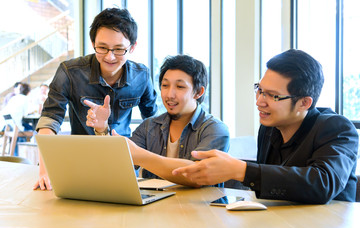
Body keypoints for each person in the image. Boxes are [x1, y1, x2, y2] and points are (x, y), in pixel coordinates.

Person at [171, 49, 358, 204]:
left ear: (304, 103)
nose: (260, 101)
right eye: (259, 90)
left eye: (273, 96)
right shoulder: (269, 128)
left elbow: (322, 184)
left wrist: (241, 170)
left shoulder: (337, 128)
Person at [34, 8, 158, 190]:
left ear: (132, 47)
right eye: (102, 48)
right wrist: (45, 171)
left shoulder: (141, 76)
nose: (110, 56)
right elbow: (50, 120)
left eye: (119, 49)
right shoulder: (70, 72)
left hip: (124, 162)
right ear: (93, 43)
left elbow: (154, 123)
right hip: (80, 163)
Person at [85, 55, 230, 187]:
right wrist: (101, 128)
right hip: (155, 210)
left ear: (199, 92)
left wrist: (140, 156)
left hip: (203, 211)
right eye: (165, 85)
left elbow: (196, 175)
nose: (169, 94)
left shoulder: (215, 130)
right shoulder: (150, 126)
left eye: (180, 87)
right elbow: (117, 166)